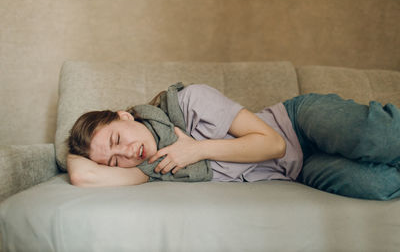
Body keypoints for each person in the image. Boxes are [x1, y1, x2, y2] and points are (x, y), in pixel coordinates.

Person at [67, 84, 400, 200]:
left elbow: (274, 145)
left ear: (125, 116)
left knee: (379, 137)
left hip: (296, 124)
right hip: (300, 170)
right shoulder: (156, 168)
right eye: (113, 160)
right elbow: (83, 175)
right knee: (378, 184)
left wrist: (196, 149)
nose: (125, 153)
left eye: (116, 139)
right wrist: (78, 152)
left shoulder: (187, 101)